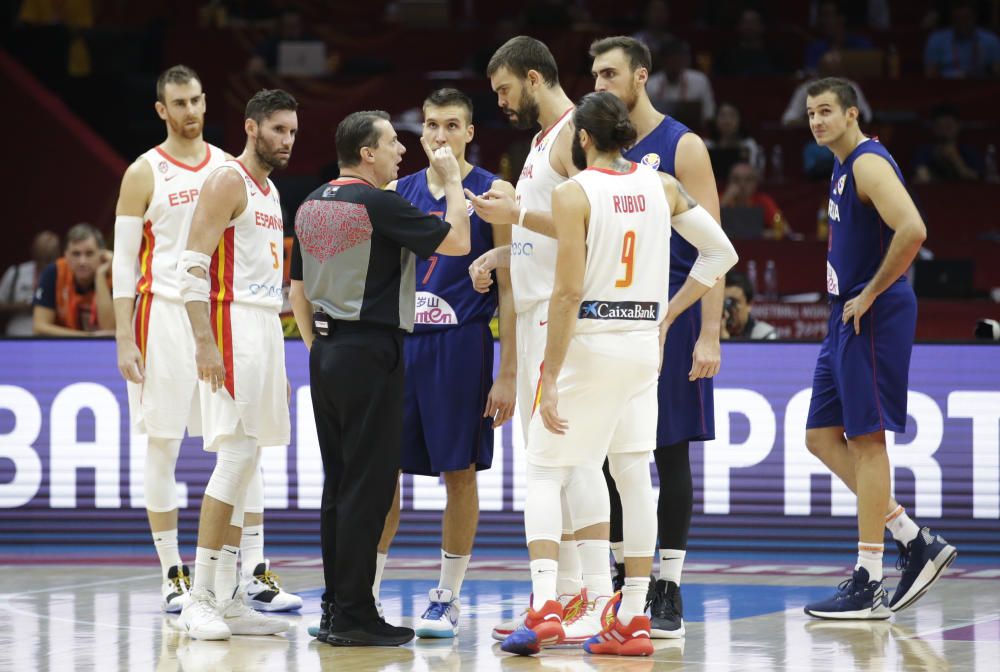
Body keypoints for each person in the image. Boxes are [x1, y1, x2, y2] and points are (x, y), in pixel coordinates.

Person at [501, 91, 737, 657]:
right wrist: (670, 313)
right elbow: (720, 253)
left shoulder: (573, 191)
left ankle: (545, 606)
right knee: (633, 474)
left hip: (591, 341)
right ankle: (632, 616)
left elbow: (567, 291)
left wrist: (550, 373)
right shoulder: (662, 186)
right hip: (640, 347)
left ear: (582, 138)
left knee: (543, 470)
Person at [112, 65, 300, 615]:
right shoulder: (143, 172)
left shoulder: (232, 169)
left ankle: (253, 570)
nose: (192, 111)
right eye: (180, 102)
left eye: (198, 99)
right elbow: (125, 262)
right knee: (163, 442)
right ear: (161, 110)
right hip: (162, 315)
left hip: (220, 315)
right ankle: (174, 572)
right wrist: (124, 336)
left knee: (246, 442)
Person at [288, 110, 471, 647]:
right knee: (368, 488)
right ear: (366, 153)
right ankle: (354, 615)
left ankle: (335, 606)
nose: (403, 150)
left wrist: (320, 345)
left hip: (326, 353)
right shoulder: (379, 203)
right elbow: (457, 242)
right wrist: (455, 180)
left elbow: (297, 289)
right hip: (371, 351)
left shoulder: (310, 202)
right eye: (393, 142)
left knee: (339, 486)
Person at [465, 35, 605, 645]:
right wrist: (505, 250)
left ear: (532, 76)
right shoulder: (540, 142)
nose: (500, 102)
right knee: (552, 465)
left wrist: (516, 215)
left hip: (563, 319)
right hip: (533, 313)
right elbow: (549, 234)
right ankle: (569, 596)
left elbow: (592, 221)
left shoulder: (576, 132)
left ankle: (589, 599)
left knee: (563, 464)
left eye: (503, 90)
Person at [802, 77, 956, 619]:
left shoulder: (867, 162)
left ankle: (869, 582)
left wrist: (869, 292)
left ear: (851, 114)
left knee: (867, 443)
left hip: (872, 313)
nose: (817, 121)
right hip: (844, 314)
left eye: (826, 111)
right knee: (820, 437)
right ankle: (913, 539)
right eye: (811, 113)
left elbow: (914, 229)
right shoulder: (842, 167)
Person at [590, 35, 725, 638]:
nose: (599, 85)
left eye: (610, 74)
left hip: (673, 313)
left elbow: (713, 246)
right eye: (593, 75)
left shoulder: (681, 145)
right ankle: (626, 580)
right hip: (612, 319)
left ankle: (668, 584)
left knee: (668, 451)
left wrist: (709, 335)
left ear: (640, 77)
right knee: (615, 454)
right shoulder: (592, 146)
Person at [175, 88, 299, 640]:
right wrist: (204, 343)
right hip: (230, 328)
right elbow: (191, 267)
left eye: (293, 132)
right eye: (278, 130)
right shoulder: (227, 180)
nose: (287, 141)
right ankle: (199, 596)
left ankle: (226, 598)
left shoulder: (270, 192)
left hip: (265, 327)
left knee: (250, 464)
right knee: (234, 459)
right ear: (251, 128)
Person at [32, 223, 114, 336]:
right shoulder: (53, 273)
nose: (82, 262)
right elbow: (39, 327)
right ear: (65, 255)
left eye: (89, 254)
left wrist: (100, 276)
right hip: (63, 349)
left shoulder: (114, 275)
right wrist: (87, 338)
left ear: (102, 254)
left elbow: (109, 329)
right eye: (76, 254)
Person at [0, 231, 60, 336]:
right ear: (33, 252)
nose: (44, 263)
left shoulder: (64, 274)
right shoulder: (16, 272)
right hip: (16, 335)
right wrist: (18, 306)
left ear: (59, 253)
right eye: (40, 257)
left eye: (49, 258)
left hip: (51, 337)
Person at [645, 38, 716, 127]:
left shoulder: (700, 80)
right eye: (671, 61)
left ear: (685, 61)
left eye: (678, 61)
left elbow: (709, 114)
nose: (674, 65)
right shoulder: (651, 84)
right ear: (662, 62)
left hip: (693, 133)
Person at [924, 0, 1000, 79]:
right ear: (952, 19)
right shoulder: (936, 40)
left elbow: (997, 71)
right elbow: (930, 73)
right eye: (958, 19)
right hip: (946, 85)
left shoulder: (991, 40)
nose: (962, 23)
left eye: (966, 18)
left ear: (974, 17)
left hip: (979, 85)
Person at [912, 104, 983, 183]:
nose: (944, 131)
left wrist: (956, 160)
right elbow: (920, 178)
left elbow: (977, 179)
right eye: (940, 126)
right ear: (933, 128)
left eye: (948, 126)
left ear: (958, 125)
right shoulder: (924, 151)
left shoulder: (969, 151)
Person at [720, 161, 792, 239]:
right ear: (729, 181)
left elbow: (785, 230)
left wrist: (760, 234)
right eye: (736, 180)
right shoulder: (720, 199)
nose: (742, 184)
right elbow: (707, 230)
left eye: (748, 180)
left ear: (755, 183)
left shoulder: (763, 201)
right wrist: (724, 202)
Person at [705, 102, 764, 178]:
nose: (727, 121)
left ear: (740, 120)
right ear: (715, 119)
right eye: (723, 116)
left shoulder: (749, 144)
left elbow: (755, 173)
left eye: (732, 115)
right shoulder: (707, 145)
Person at [721, 271, 778, 340]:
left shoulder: (765, 335)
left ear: (749, 304)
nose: (728, 309)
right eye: (723, 302)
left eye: (733, 302)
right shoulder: (710, 332)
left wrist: (725, 342)